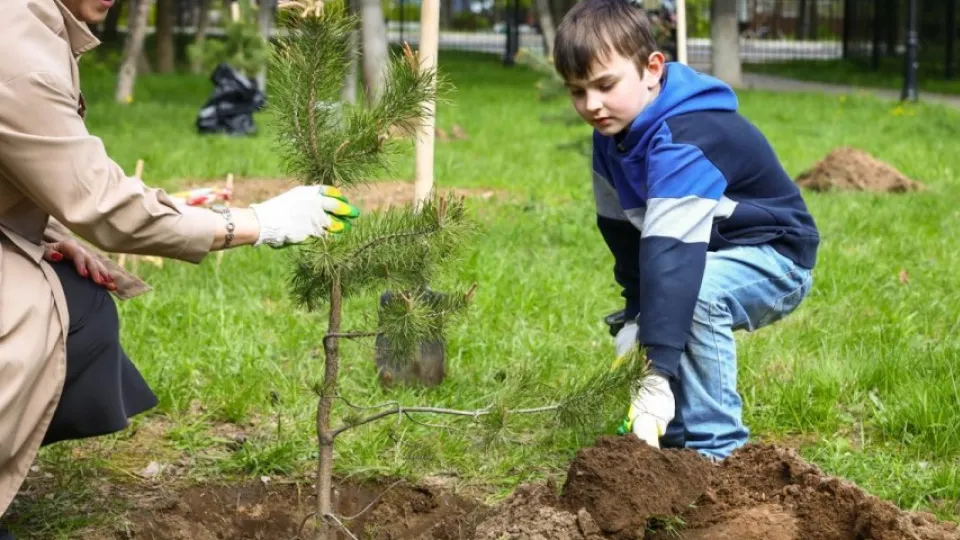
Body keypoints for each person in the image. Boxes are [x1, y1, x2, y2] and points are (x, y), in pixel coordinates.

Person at [0, 0, 361, 536]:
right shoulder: (18, 52)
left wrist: (46, 233)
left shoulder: (31, 25)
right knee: (48, 313)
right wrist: (257, 222)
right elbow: (105, 206)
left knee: (84, 302)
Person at [553, 0, 819, 461]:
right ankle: (674, 446)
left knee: (691, 297)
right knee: (664, 311)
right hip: (698, 255)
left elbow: (673, 258)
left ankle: (719, 450)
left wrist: (655, 372)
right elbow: (625, 235)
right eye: (577, 91)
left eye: (604, 85)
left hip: (774, 256)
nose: (591, 105)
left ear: (652, 69)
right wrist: (635, 313)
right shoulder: (610, 139)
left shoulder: (686, 134)